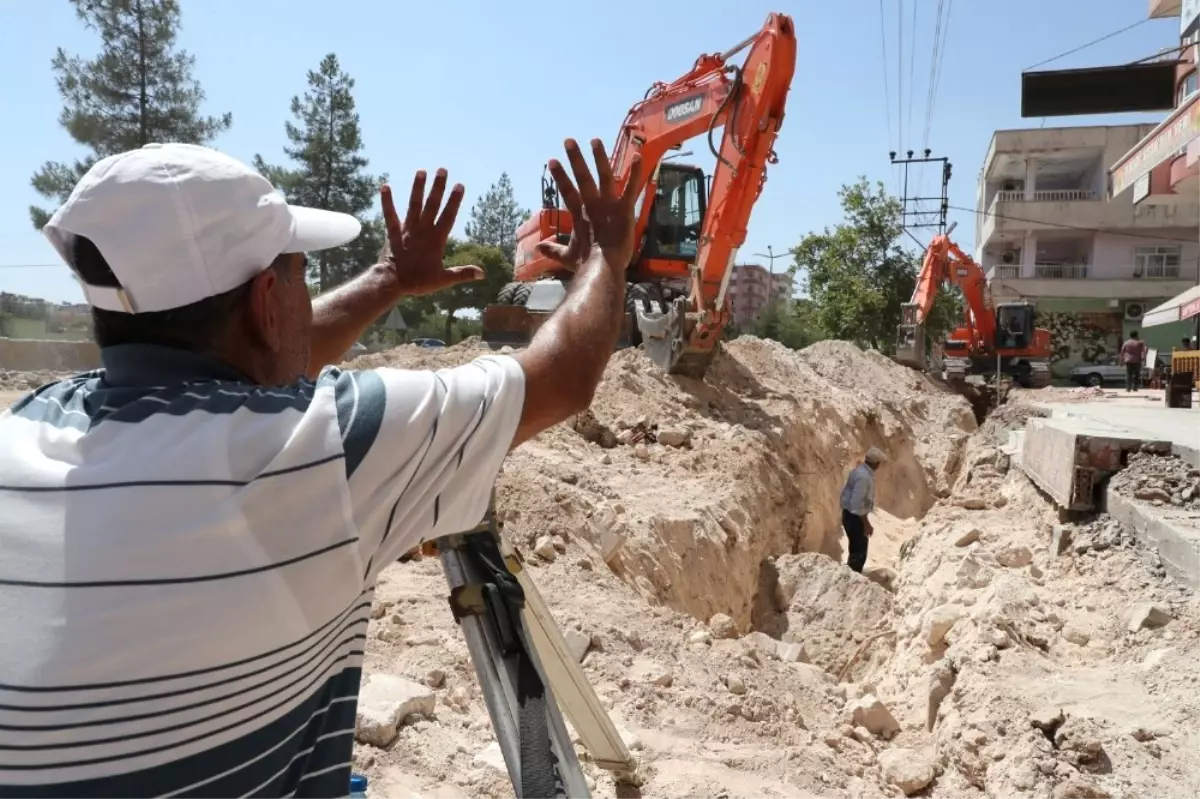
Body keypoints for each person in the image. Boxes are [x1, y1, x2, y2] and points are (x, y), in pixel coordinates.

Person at [0, 138, 643, 797]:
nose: (311, 301)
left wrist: (389, 279)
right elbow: (562, 378)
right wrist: (606, 260)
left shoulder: (27, 425)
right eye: (304, 275)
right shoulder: (318, 451)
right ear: (266, 298)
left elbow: (262, 364)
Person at [840, 447, 888, 573]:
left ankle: (850, 578)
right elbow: (857, 505)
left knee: (855, 550)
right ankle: (851, 581)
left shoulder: (859, 471)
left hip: (849, 515)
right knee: (859, 553)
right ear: (876, 464)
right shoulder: (864, 477)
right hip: (854, 518)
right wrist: (866, 524)